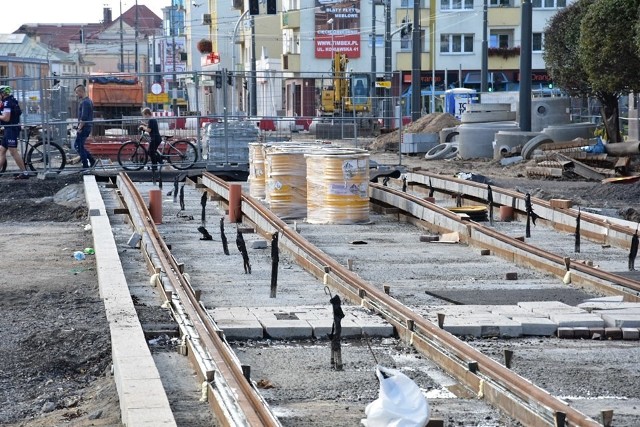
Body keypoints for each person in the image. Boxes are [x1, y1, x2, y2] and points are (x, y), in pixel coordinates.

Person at [0, 85, 30, 179]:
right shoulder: (11, 100)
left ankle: (25, 173)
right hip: (9, 128)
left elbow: (6, 118)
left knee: (13, 152)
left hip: (11, 129)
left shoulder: (7, 103)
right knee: (2, 150)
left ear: (3, 94)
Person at [74, 84, 95, 169]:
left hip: (84, 128)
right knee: (79, 146)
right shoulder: (89, 101)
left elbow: (84, 117)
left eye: (77, 92)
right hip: (87, 127)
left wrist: (79, 128)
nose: (76, 95)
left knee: (79, 146)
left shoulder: (85, 102)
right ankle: (91, 160)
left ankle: (86, 165)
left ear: (81, 91)